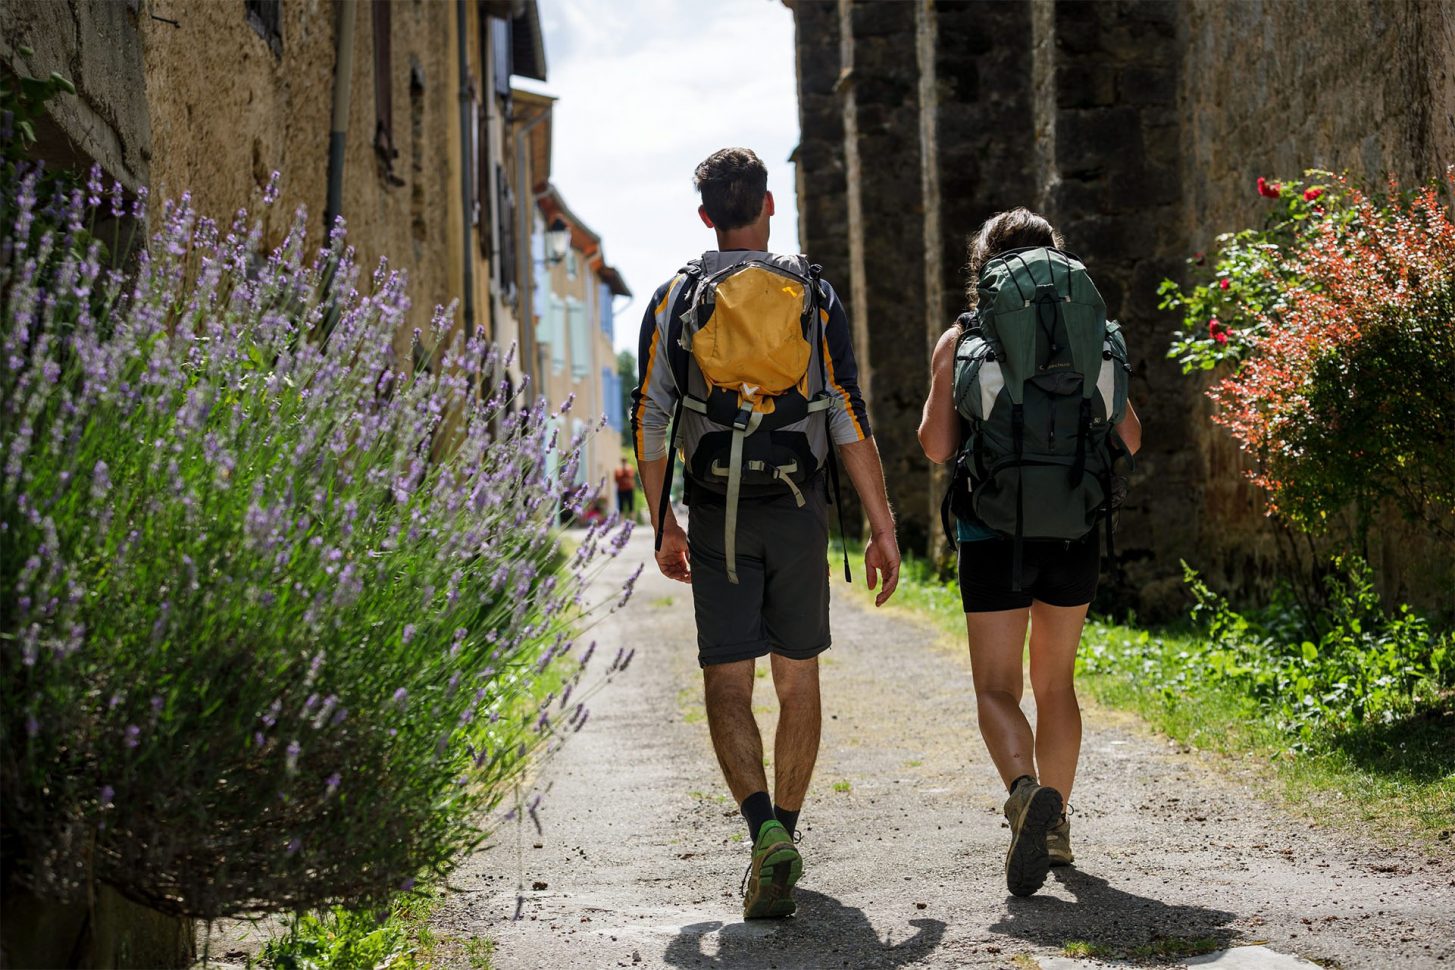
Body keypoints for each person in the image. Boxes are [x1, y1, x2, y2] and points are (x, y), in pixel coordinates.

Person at [632, 147, 901, 920]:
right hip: (796, 510)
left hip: (716, 511)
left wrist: (664, 524)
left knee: (726, 682)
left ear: (706, 215)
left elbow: (650, 418)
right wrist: (881, 528)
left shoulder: (675, 296)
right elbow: (845, 410)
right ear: (769, 204)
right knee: (796, 678)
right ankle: (782, 830)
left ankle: (762, 837)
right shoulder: (811, 292)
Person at [917, 208, 1142, 897]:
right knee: (1055, 684)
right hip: (1073, 524)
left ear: (983, 268)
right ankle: (1056, 827)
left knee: (995, 686)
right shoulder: (1094, 336)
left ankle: (1022, 794)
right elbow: (1131, 437)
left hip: (991, 530)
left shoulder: (963, 338)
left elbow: (934, 446)